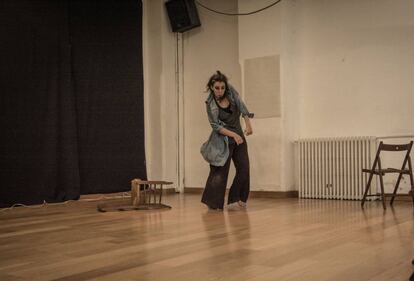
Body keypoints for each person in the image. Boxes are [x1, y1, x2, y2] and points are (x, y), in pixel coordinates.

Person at [200, 71, 254, 210]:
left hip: (238, 137)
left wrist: (248, 124)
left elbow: (241, 106)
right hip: (222, 140)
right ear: (212, 87)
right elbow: (215, 126)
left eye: (222, 87)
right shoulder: (210, 103)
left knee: (244, 168)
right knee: (220, 172)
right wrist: (233, 135)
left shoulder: (231, 92)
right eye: (217, 88)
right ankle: (213, 202)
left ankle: (237, 197)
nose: (220, 91)